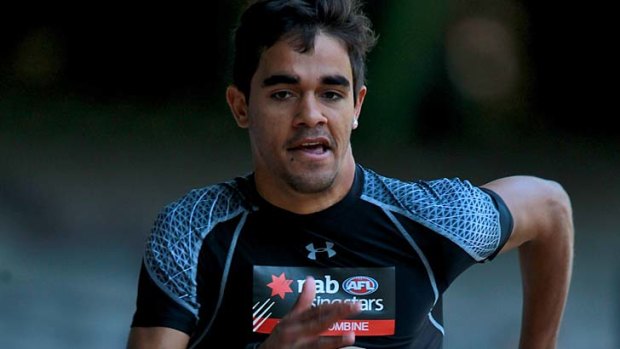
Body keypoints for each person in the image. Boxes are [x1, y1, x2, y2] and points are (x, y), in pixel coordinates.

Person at [126, 0, 574, 348]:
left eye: (331, 93)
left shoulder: (429, 217)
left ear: (357, 106)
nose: (311, 115)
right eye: (283, 93)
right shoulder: (192, 230)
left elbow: (549, 207)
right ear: (241, 106)